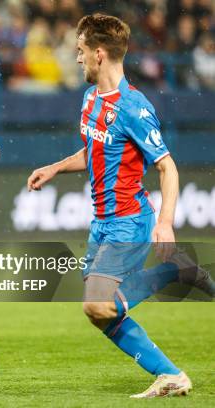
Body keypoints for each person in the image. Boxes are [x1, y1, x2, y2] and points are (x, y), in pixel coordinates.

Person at [27, 14, 214, 398]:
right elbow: (95, 149)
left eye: (80, 51)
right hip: (101, 223)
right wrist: (56, 167)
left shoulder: (134, 107)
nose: (77, 59)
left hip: (130, 221)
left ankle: (170, 271)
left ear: (99, 53)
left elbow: (167, 167)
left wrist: (165, 223)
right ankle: (171, 375)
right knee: (102, 315)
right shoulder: (90, 98)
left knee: (97, 306)